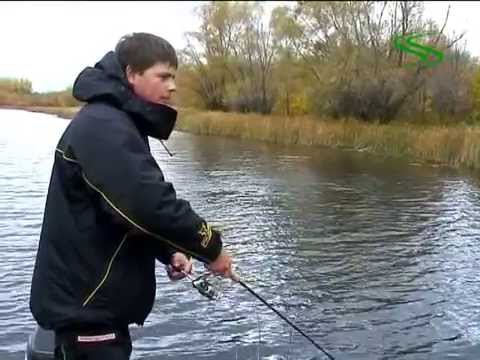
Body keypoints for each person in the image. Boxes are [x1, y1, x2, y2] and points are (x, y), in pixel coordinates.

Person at [29, 32, 235, 360]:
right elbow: (150, 205)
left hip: (97, 316)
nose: (173, 87)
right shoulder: (105, 126)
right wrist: (212, 248)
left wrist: (169, 252)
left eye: (174, 78)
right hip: (88, 319)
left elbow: (122, 213)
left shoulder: (115, 121)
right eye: (163, 76)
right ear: (131, 75)